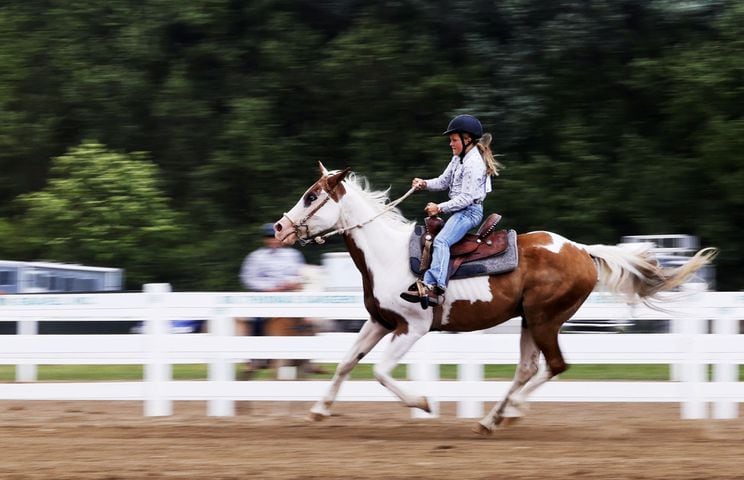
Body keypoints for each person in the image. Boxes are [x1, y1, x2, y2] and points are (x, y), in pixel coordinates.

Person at [400, 114, 502, 307]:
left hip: (469, 212)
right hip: (460, 210)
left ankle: (433, 287)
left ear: (467, 139)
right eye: (451, 140)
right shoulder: (459, 158)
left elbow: (465, 199)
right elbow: (443, 180)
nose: (451, 144)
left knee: (441, 241)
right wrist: (424, 184)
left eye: (454, 140)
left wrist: (439, 207)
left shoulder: (474, 164)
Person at [239, 223, 321, 377]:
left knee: (309, 319)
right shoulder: (256, 257)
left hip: (291, 295)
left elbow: (301, 273)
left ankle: (310, 358)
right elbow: (248, 278)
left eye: (275, 237)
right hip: (266, 297)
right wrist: (270, 287)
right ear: (265, 240)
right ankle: (255, 358)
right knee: (256, 320)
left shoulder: (293, 255)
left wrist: (293, 282)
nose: (273, 240)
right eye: (270, 237)